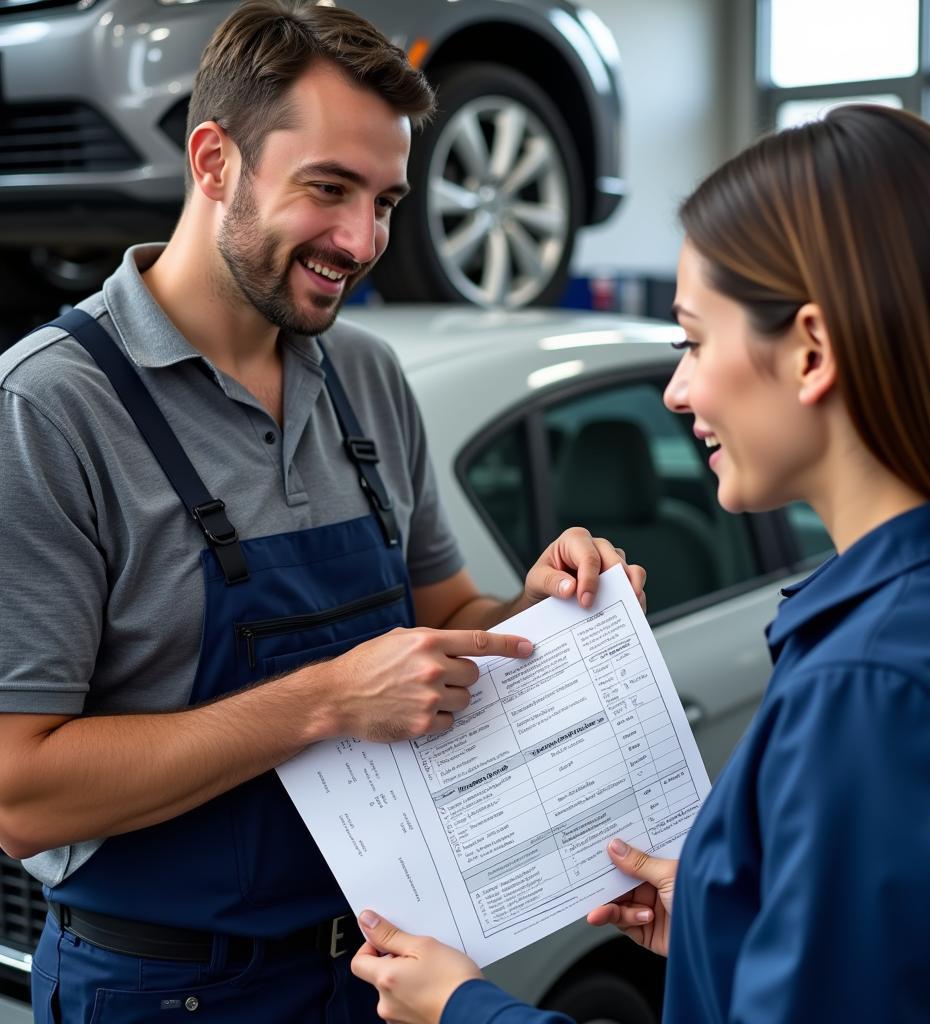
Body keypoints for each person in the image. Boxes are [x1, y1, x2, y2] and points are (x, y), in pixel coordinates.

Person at [0, 2, 647, 1021]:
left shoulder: (366, 377)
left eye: (385, 199)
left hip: (376, 981)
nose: (361, 240)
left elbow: (443, 620)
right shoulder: (49, 408)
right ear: (214, 161)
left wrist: (534, 611)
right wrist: (325, 700)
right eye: (328, 190)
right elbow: (20, 795)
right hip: (160, 995)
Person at [348, 104, 930, 1023]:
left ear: (813, 352)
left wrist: (465, 1009)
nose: (677, 390)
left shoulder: (873, 687)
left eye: (693, 341)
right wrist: (726, 916)